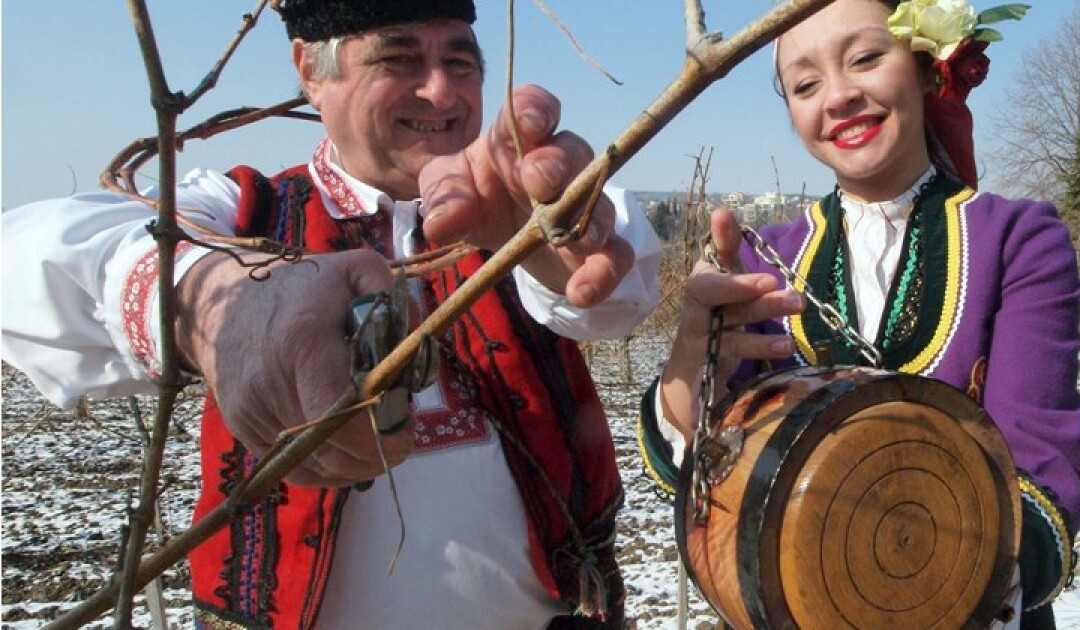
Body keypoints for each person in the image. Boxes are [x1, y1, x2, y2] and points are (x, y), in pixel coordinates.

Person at [1, 0, 662, 628]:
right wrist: (213, 301)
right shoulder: (242, 219)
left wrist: (553, 236)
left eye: (460, 63)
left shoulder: (512, 206)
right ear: (310, 71)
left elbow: (615, 293)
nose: (440, 92)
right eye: (397, 60)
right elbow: (33, 260)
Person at [637, 1, 1080, 628]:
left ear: (925, 65)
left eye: (866, 58)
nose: (840, 95)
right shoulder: (765, 258)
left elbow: (1039, 463)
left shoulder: (1016, 240)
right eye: (805, 83)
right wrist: (690, 359)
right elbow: (711, 477)